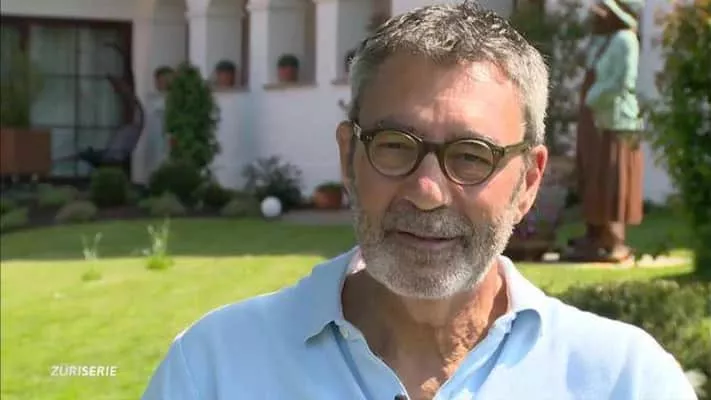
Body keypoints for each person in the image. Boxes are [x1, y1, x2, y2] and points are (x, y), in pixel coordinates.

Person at [141, 2, 695, 399]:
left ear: (528, 181)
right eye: (395, 145)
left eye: (472, 155)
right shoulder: (213, 370)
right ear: (348, 158)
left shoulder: (625, 380)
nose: (427, 192)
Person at [567, 0, 645, 262]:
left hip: (615, 119)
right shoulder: (603, 41)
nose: (596, 14)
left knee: (613, 175)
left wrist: (593, 98)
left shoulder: (625, 40)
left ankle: (614, 239)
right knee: (594, 173)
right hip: (595, 118)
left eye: (604, 9)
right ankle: (595, 234)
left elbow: (622, 81)